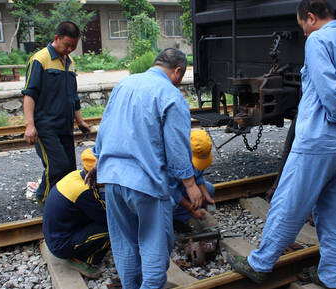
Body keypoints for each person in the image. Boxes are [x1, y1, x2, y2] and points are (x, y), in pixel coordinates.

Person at [227, 1, 336, 288]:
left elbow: (328, 88)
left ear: (310, 18)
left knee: (289, 205)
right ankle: (332, 278)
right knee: (334, 214)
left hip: (317, 143)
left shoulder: (318, 40)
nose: (305, 33)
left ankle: (260, 265)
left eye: (302, 26)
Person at [87, 48, 213, 289]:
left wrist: (98, 161)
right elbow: (176, 145)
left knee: (124, 243)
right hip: (146, 184)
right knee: (154, 248)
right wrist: (190, 184)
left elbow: (105, 127)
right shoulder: (170, 96)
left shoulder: (124, 85)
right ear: (177, 72)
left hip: (112, 178)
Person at [22, 21, 90, 206]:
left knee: (68, 169)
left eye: (73, 47)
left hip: (65, 125)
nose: (69, 49)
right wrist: (30, 125)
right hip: (45, 126)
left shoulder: (70, 62)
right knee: (56, 166)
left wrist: (80, 121)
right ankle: (44, 201)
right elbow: (29, 94)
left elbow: (72, 96)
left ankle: (61, 204)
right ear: (56, 38)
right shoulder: (40, 59)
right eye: (67, 45)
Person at [43, 148, 109, 279]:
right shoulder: (84, 191)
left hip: (56, 235)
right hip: (61, 245)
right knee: (113, 228)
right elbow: (107, 219)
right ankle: (84, 260)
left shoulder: (76, 176)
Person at [173, 129, 215, 232]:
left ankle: (189, 210)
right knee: (170, 203)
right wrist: (191, 210)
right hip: (172, 191)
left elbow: (199, 176)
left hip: (185, 188)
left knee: (209, 188)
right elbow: (173, 191)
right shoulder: (174, 160)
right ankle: (177, 219)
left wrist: (206, 196)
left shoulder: (199, 152)